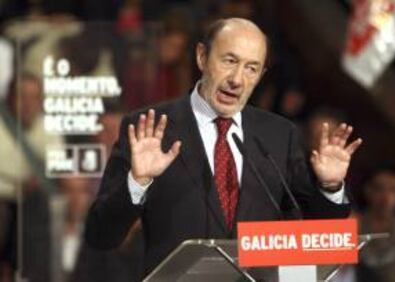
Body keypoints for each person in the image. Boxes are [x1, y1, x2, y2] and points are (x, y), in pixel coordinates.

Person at [85, 18, 363, 278]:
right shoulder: (151, 127)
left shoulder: (279, 135)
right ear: (202, 57)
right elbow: (101, 235)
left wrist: (329, 188)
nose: (237, 79)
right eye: (230, 61)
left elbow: (319, 231)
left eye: (251, 68)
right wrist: (138, 181)